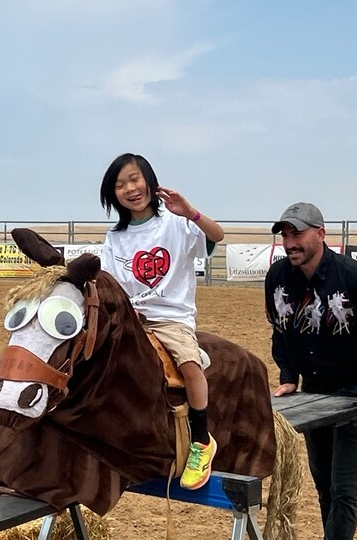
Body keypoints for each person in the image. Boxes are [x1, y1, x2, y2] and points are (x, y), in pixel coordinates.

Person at [266, 202, 357, 540]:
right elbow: (280, 329)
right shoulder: (277, 277)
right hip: (312, 393)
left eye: (297, 233)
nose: (290, 242)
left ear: (321, 234)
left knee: (344, 492)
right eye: (284, 234)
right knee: (323, 484)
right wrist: (287, 377)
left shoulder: (355, 277)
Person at [99, 152, 225, 490]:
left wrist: (191, 213)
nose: (130, 188)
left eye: (134, 179)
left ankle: (201, 440)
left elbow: (218, 235)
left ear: (150, 181)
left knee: (188, 363)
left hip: (171, 318)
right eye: (120, 184)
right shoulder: (115, 238)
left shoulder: (176, 223)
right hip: (131, 320)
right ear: (113, 195)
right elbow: (110, 285)